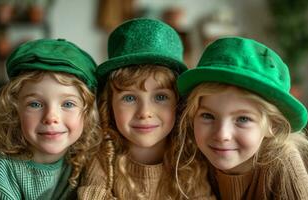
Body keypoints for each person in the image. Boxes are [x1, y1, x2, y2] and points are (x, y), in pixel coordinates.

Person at [78, 18, 215, 199]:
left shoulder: (190, 161)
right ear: (109, 104)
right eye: (129, 98)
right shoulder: (102, 158)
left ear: (179, 104)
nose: (144, 113)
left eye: (160, 97)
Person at [176, 36, 308, 199]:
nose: (221, 135)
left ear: (273, 125)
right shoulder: (193, 157)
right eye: (207, 115)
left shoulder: (282, 164)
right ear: (192, 116)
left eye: (243, 119)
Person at [0, 38, 101, 199]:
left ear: (86, 114)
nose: (51, 117)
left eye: (68, 104)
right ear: (15, 111)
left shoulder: (84, 160)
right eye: (35, 104)